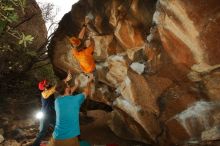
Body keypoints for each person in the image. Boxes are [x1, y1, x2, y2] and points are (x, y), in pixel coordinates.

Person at [48, 73, 93, 146]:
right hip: (69, 139)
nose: (69, 86)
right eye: (68, 86)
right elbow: (86, 92)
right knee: (86, 144)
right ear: (66, 89)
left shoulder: (57, 101)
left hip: (55, 138)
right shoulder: (76, 99)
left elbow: (68, 93)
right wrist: (89, 81)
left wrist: (77, 85)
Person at [33, 80, 56, 146]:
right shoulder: (44, 93)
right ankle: (35, 144)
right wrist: (65, 80)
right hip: (45, 115)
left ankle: (56, 141)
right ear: (44, 87)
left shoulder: (50, 92)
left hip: (52, 113)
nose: (48, 83)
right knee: (42, 131)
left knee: (57, 128)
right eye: (46, 84)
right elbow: (54, 88)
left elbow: (58, 89)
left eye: (47, 83)